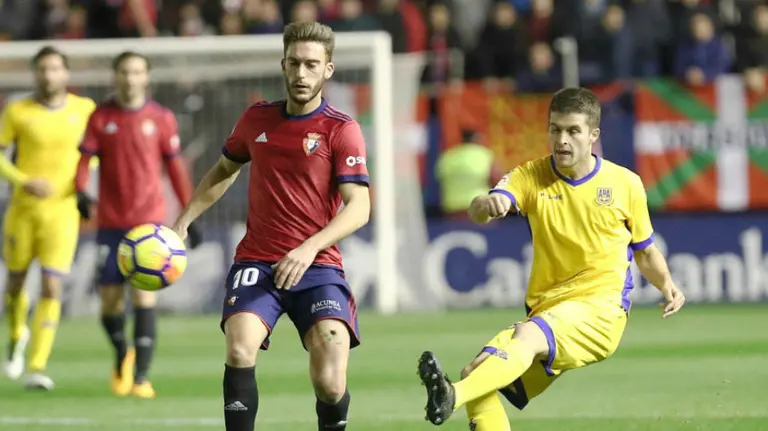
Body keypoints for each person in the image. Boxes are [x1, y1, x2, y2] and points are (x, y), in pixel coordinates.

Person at [417, 87, 686, 429]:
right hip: (549, 309)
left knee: (523, 341)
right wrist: (487, 204)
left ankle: (450, 395)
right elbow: (482, 208)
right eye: (555, 129)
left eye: (573, 131)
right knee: (479, 375)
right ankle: (460, 391)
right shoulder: (530, 175)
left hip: (601, 311)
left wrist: (669, 287)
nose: (562, 139)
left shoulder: (625, 184)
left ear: (593, 135)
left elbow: (645, 249)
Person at [172, 21, 371, 431]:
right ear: (283, 65)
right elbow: (223, 169)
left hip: (317, 266)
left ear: (327, 70)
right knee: (240, 350)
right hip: (258, 261)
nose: (301, 74)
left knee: (330, 383)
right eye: (295, 64)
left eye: (311, 65)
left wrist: (308, 248)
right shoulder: (256, 119)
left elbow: (359, 208)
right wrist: (183, 221)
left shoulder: (341, 130)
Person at [74, 51, 200, 399]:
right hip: (111, 225)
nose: (130, 78)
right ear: (115, 76)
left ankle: (142, 377)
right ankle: (121, 354)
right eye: (125, 72)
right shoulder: (100, 117)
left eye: (137, 72)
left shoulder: (161, 118)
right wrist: (80, 192)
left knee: (145, 298)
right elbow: (83, 162)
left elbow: (175, 169)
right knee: (110, 304)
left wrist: (191, 213)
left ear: (147, 77)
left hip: (149, 227)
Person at [0, 46, 96, 390]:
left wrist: (81, 183)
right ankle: (15, 337)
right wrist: (24, 181)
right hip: (23, 211)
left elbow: (95, 154)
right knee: (15, 283)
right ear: (35, 74)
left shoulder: (84, 110)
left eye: (55, 69)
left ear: (66, 74)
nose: (49, 75)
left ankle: (37, 365)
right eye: (43, 69)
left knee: (52, 285)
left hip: (63, 211)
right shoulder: (17, 111)